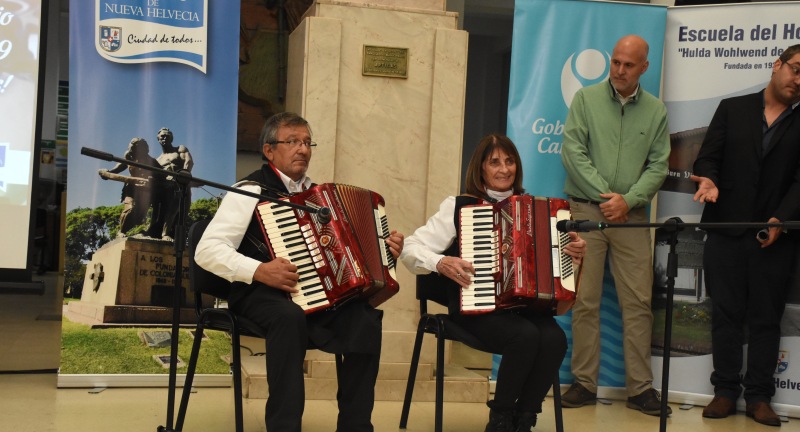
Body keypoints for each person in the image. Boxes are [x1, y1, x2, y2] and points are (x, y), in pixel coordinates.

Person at [194, 112, 404, 432]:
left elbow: (348, 254)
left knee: (365, 320)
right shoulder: (250, 189)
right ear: (269, 151)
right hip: (258, 293)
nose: (302, 149)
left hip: (316, 294)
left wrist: (384, 250)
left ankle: (356, 425)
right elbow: (206, 251)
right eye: (292, 141)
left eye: (307, 142)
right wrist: (259, 270)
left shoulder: (321, 198)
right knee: (288, 317)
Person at [400, 133, 587, 432]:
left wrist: (574, 260)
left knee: (555, 339)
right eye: (495, 162)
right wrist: (441, 262)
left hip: (522, 309)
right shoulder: (459, 206)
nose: (504, 169)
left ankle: (524, 418)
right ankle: (500, 419)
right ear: (481, 169)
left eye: (510, 161)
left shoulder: (538, 211)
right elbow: (409, 249)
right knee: (524, 336)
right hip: (477, 310)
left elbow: (557, 281)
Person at [559, 34, 671, 416]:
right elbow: (572, 152)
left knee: (639, 303)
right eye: (616, 62)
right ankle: (584, 383)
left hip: (633, 217)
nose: (620, 71)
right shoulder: (586, 100)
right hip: (588, 212)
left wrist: (630, 201)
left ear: (644, 68)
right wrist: (609, 198)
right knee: (585, 300)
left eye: (628, 65)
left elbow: (659, 165)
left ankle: (640, 389)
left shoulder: (656, 111)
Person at [690, 44, 800, 427]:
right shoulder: (732, 108)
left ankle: (759, 398)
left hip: (776, 237)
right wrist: (709, 179)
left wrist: (780, 219)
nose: (799, 80)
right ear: (777, 65)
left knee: (767, 319)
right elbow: (707, 158)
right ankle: (724, 392)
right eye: (796, 69)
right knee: (725, 315)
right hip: (725, 228)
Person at [98, 137, 162, 238]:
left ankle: (135, 230)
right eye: (134, 147)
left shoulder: (151, 161)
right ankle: (121, 231)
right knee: (130, 209)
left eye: (139, 147)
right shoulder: (129, 158)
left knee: (139, 217)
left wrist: (152, 178)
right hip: (131, 189)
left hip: (145, 192)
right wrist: (106, 173)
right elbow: (115, 170)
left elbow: (162, 174)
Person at [152, 127, 194, 240]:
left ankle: (166, 233)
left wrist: (184, 175)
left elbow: (188, 161)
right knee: (159, 210)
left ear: (172, 138)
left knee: (175, 209)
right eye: (162, 136)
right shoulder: (158, 159)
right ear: (158, 139)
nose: (165, 138)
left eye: (167, 136)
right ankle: (157, 231)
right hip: (163, 187)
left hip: (179, 185)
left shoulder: (179, 149)